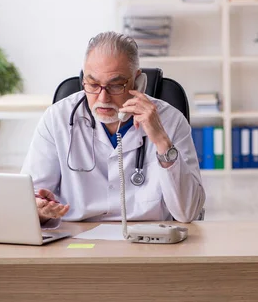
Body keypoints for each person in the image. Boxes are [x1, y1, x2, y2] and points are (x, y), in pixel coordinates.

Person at [20, 31, 206, 227]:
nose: (103, 98)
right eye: (92, 84)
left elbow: (188, 212)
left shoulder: (171, 121)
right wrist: (40, 211)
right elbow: (29, 200)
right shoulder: (57, 118)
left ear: (139, 83)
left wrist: (161, 140)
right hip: (77, 241)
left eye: (115, 86)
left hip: (150, 240)